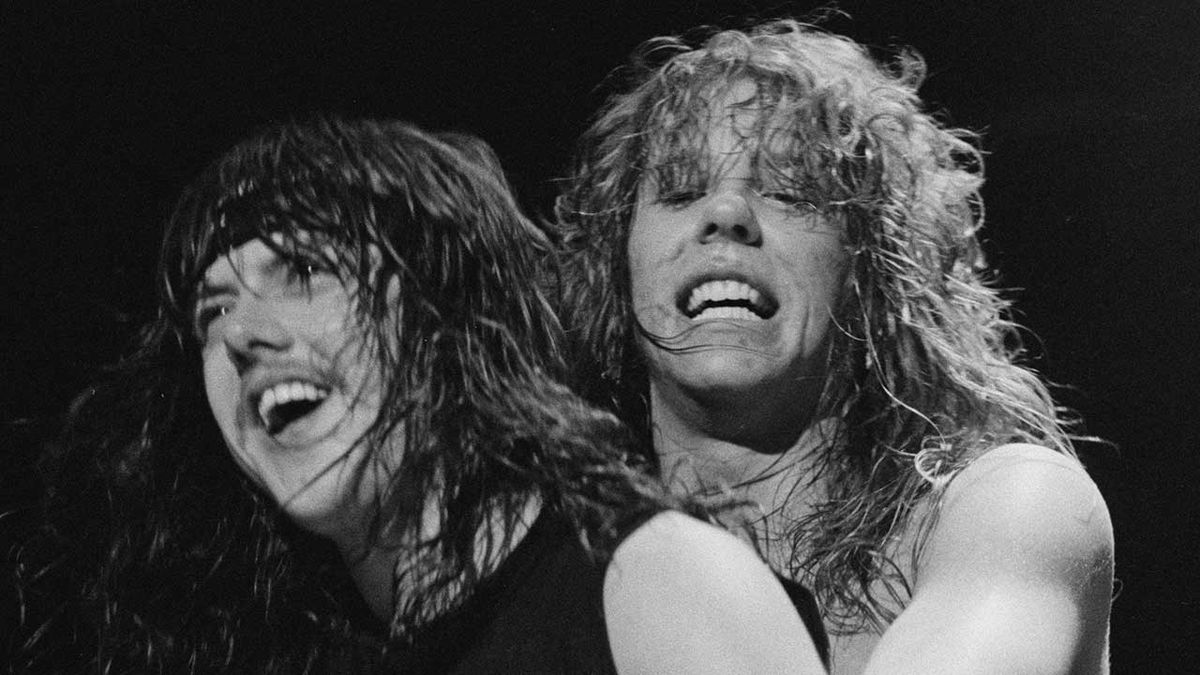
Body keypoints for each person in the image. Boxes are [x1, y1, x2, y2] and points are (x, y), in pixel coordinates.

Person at [9, 117, 827, 672]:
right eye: (212, 309)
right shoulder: (307, 648)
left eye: (301, 271)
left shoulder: (657, 584)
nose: (239, 334)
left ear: (444, 313)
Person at [555, 19, 1115, 674]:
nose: (726, 214)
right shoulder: (556, 556)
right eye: (680, 190)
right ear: (617, 264)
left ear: (871, 269)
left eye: (789, 190)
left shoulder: (1010, 510)